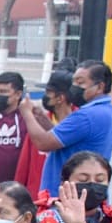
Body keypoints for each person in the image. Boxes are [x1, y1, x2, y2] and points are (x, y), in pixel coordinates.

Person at [19, 60, 112, 197]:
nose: (74, 87)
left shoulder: (85, 116)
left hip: (66, 195)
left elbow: (43, 143)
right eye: (74, 82)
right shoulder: (110, 112)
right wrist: (42, 119)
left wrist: (26, 114)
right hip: (88, 192)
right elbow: (68, 141)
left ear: (99, 87)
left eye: (80, 83)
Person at [15, 70, 74, 198]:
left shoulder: (78, 125)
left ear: (60, 98)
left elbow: (46, 142)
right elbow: (24, 163)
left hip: (64, 195)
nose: (45, 96)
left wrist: (27, 114)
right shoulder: (39, 122)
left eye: (48, 93)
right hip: (36, 196)